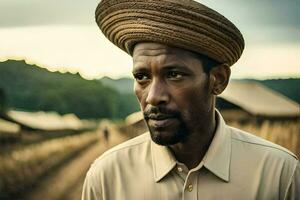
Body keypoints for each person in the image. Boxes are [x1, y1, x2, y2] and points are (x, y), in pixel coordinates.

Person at [82, 0, 300, 199]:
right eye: (142, 77)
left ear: (218, 80)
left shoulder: (279, 175)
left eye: (174, 74)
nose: (154, 96)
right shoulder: (106, 179)